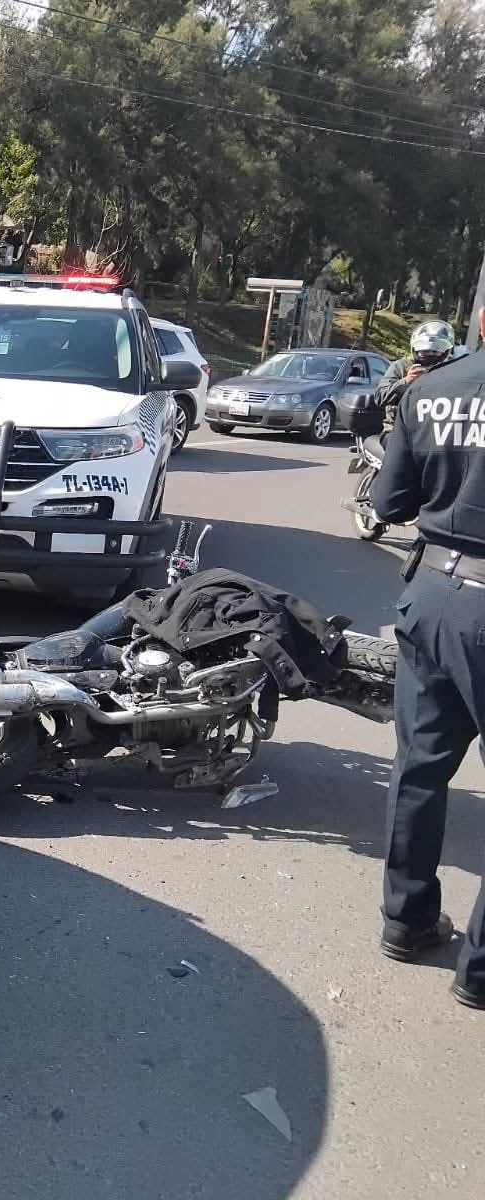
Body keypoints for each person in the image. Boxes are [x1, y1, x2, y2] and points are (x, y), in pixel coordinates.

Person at [371, 305, 485, 1012]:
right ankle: (478, 972)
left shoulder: (432, 389)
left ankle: (406, 922)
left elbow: (389, 501)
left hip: (434, 595)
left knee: (420, 769)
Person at [375, 319, 457, 410]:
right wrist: (405, 381)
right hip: (399, 422)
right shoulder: (401, 367)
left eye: (435, 352)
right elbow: (379, 398)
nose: (430, 355)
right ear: (415, 349)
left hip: (433, 421)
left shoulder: (452, 369)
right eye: (425, 351)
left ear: (446, 352)